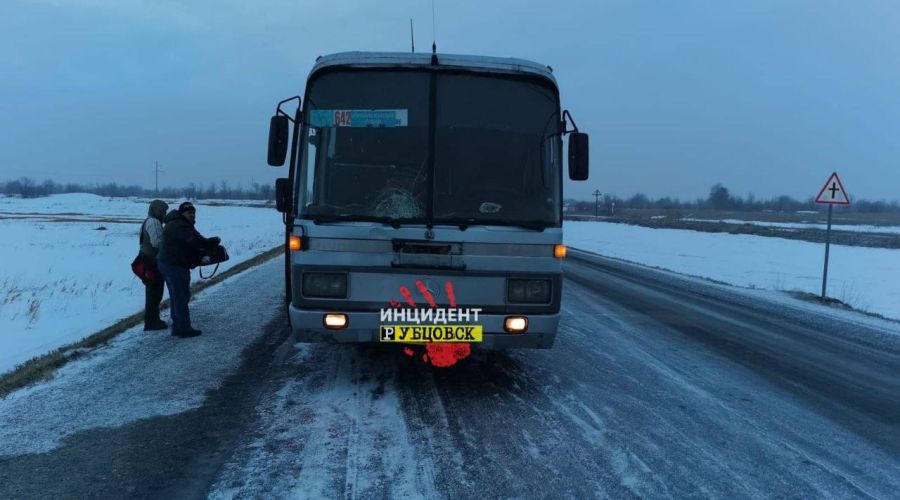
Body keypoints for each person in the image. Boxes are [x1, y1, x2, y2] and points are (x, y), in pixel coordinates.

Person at [157, 202, 220, 338]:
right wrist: (209, 244)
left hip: (170, 264)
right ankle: (184, 329)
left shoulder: (181, 223)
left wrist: (208, 242)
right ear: (182, 213)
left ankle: (177, 327)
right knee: (181, 296)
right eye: (189, 213)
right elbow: (193, 240)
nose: (192, 215)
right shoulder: (178, 225)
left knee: (176, 296)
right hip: (174, 265)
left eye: (193, 213)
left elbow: (197, 237)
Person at [140, 199, 169, 331]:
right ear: (157, 211)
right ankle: (152, 322)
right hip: (153, 262)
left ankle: (152, 320)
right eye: (163, 211)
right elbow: (158, 242)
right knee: (155, 293)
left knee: (152, 292)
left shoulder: (148, 220)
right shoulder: (154, 222)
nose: (165, 214)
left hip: (147, 260)